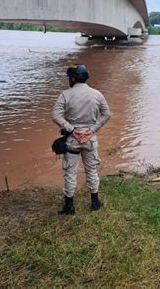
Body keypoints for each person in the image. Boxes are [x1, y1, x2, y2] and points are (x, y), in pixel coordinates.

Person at [52, 64, 111, 215]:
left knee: (70, 172)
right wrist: (92, 130)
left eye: (69, 78)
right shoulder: (97, 94)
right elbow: (106, 114)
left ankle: (69, 206)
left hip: (72, 139)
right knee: (92, 170)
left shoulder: (65, 94)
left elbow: (55, 115)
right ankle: (95, 202)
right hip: (90, 139)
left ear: (73, 78)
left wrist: (72, 129)